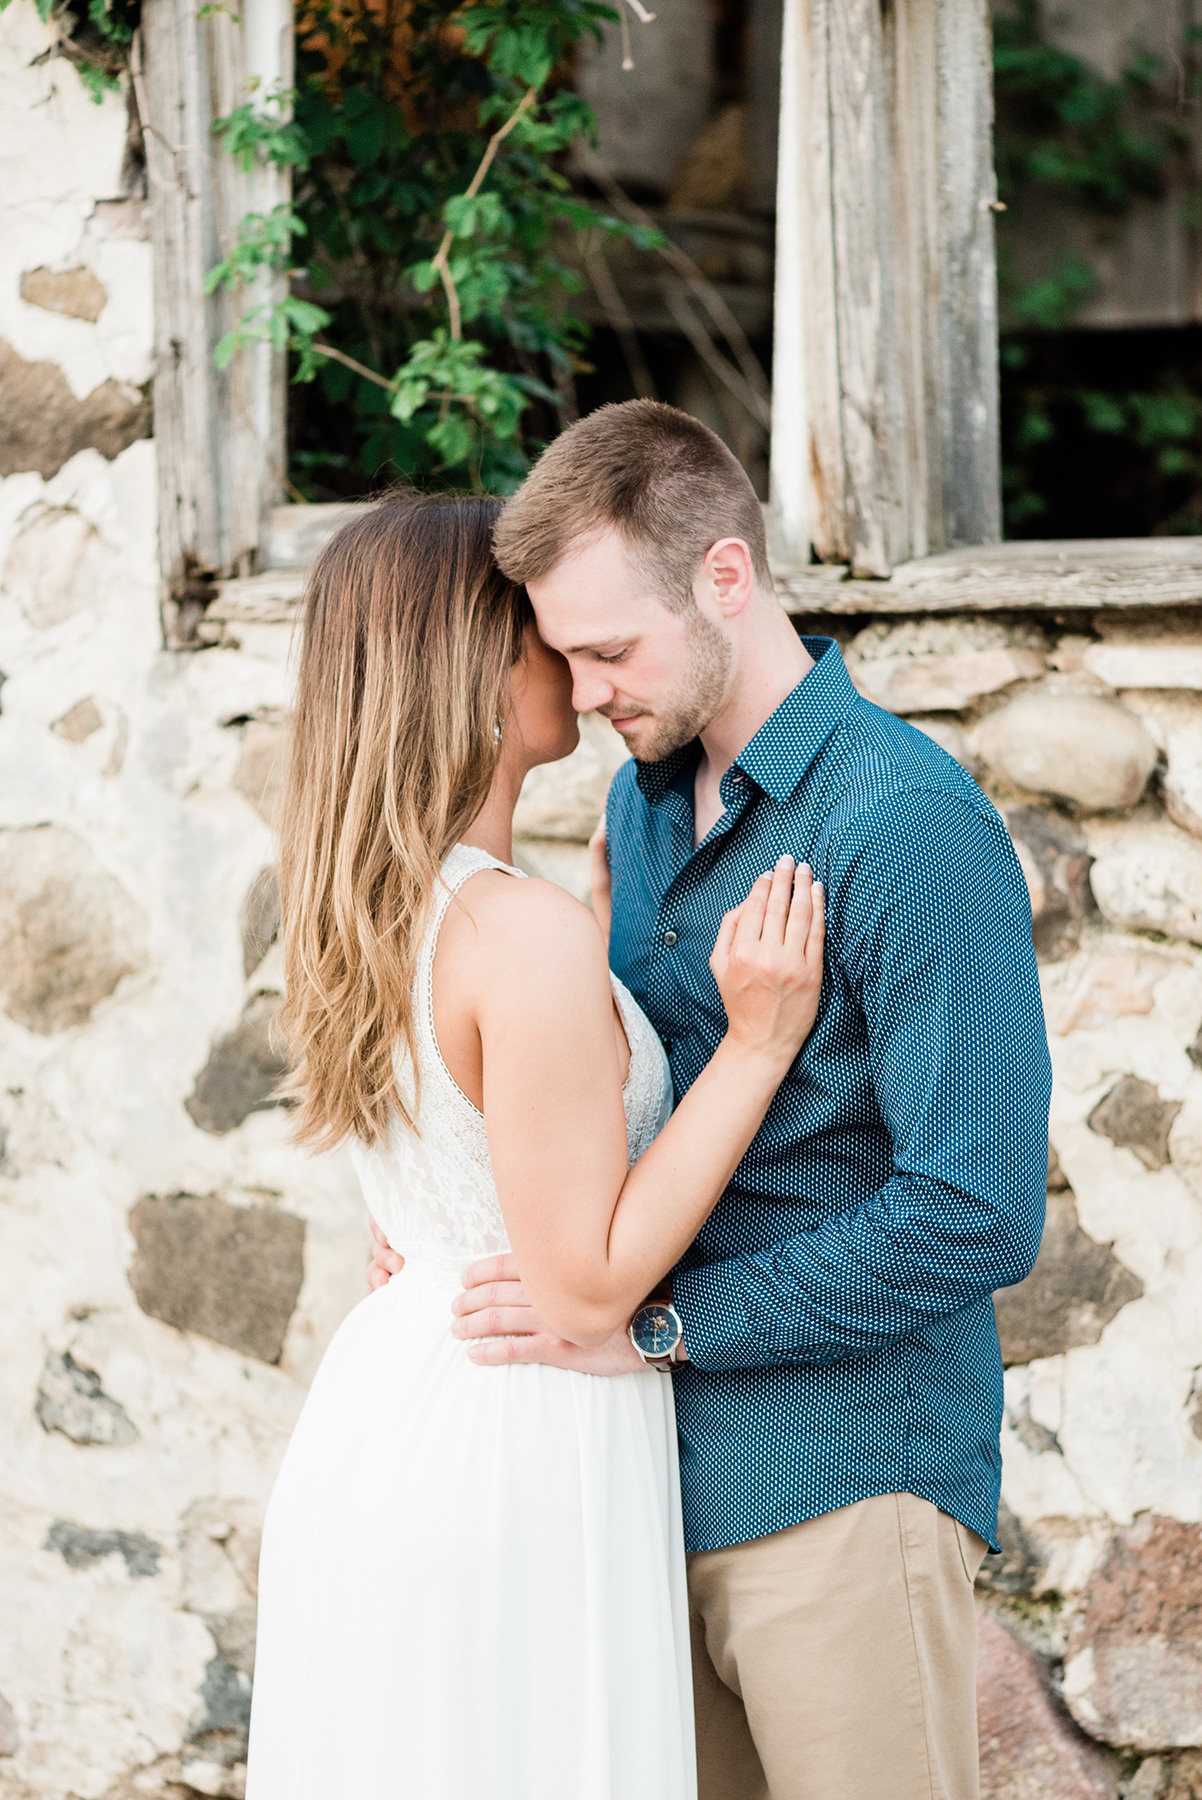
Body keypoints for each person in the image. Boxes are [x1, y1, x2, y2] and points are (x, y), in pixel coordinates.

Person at [372, 401, 1053, 1800]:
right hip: (632, 1488)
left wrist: (668, 1327)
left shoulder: (907, 826)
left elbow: (977, 1210)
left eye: (610, 649)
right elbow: (606, 1110)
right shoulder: (637, 801)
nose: (586, 689)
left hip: (837, 1481)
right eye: (562, 656)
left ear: (725, 580)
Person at [243, 490, 826, 1800]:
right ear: (473, 664)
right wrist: (754, 1044)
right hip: (512, 1427)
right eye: (542, 631)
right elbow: (581, 1284)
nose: (574, 657)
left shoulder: (377, 906)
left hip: (393, 1402)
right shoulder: (516, 934)